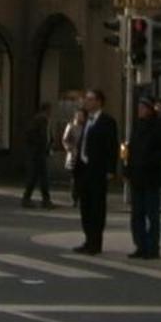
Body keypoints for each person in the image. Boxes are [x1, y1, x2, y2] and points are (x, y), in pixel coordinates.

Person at [125, 98, 161, 259]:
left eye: (143, 107)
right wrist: (127, 168)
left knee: (151, 213)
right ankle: (140, 244)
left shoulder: (158, 126)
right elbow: (130, 149)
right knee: (137, 214)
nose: (140, 110)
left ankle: (152, 246)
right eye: (139, 107)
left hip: (151, 175)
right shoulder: (137, 126)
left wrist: (152, 161)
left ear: (150, 109)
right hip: (137, 175)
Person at [72, 89, 120, 254]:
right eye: (86, 99)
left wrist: (110, 169)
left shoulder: (107, 122)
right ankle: (87, 239)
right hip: (84, 169)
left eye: (91, 99)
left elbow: (112, 146)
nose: (87, 102)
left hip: (98, 170)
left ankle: (95, 242)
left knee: (97, 208)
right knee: (85, 207)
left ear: (99, 102)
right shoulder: (87, 121)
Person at [21, 102, 54, 208]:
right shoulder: (40, 119)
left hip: (40, 152)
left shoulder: (44, 120)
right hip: (37, 153)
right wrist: (39, 144)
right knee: (37, 176)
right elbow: (32, 134)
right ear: (46, 110)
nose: (50, 112)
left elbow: (47, 135)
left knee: (39, 177)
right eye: (49, 110)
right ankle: (37, 199)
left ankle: (44, 199)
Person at [61, 105, 87, 207]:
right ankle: (75, 198)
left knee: (83, 178)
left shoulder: (86, 128)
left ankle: (82, 197)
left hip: (84, 156)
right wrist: (69, 149)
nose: (80, 117)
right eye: (78, 115)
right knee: (75, 178)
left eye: (82, 116)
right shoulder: (71, 126)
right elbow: (65, 140)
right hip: (74, 155)